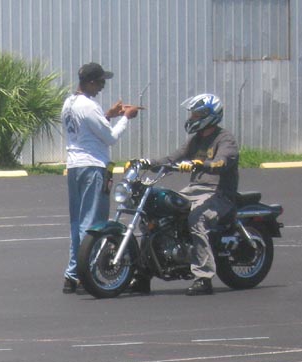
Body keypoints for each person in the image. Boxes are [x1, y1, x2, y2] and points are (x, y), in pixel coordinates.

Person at [143, 93, 239, 296]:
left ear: (210, 115)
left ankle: (204, 277)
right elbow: (171, 159)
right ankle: (143, 273)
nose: (192, 118)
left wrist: (200, 164)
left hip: (219, 193)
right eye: (192, 114)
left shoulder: (225, 139)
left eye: (197, 114)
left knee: (197, 218)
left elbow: (222, 162)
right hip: (195, 190)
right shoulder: (195, 140)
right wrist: (148, 163)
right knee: (156, 212)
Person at [61, 62, 141, 294]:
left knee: (77, 222)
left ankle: (73, 274)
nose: (102, 87)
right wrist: (126, 118)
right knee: (93, 223)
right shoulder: (89, 105)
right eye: (100, 82)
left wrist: (109, 115)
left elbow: (89, 128)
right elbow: (110, 137)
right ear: (90, 82)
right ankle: (86, 273)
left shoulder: (69, 103)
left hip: (75, 165)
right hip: (93, 166)